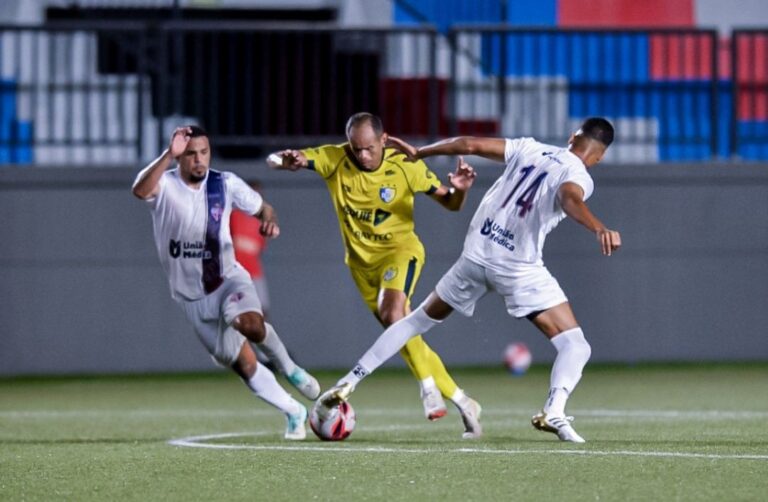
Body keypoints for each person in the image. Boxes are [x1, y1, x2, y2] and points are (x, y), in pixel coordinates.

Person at [318, 117, 620, 443]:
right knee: (574, 344)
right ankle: (554, 410)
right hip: (517, 268)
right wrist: (599, 227)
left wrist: (421, 152)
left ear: (572, 136)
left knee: (414, 321)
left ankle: (349, 381)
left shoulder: (529, 147)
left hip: (476, 255)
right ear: (600, 157)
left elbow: (469, 144)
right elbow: (570, 198)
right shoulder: (578, 175)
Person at [268, 112, 483, 438]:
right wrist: (287, 160)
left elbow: (451, 204)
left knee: (393, 312)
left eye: (369, 148)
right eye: (357, 149)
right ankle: (464, 400)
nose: (363, 155)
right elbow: (286, 160)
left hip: (401, 252)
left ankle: (427, 388)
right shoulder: (335, 159)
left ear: (384, 140)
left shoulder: (405, 165)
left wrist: (462, 190)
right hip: (361, 267)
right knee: (404, 333)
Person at [132, 125, 320, 440]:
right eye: (190, 154)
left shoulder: (226, 184)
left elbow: (264, 209)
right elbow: (139, 190)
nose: (198, 160)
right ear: (180, 156)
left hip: (227, 278)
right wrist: (168, 154)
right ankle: (293, 411)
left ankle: (291, 369)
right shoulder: (164, 186)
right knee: (245, 366)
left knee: (250, 324)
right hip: (192, 299)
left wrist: (269, 221)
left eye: (203, 152)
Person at [230, 179, 271, 319]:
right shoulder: (233, 215)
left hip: (254, 272)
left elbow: (259, 248)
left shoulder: (261, 221)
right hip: (236, 273)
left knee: (262, 312)